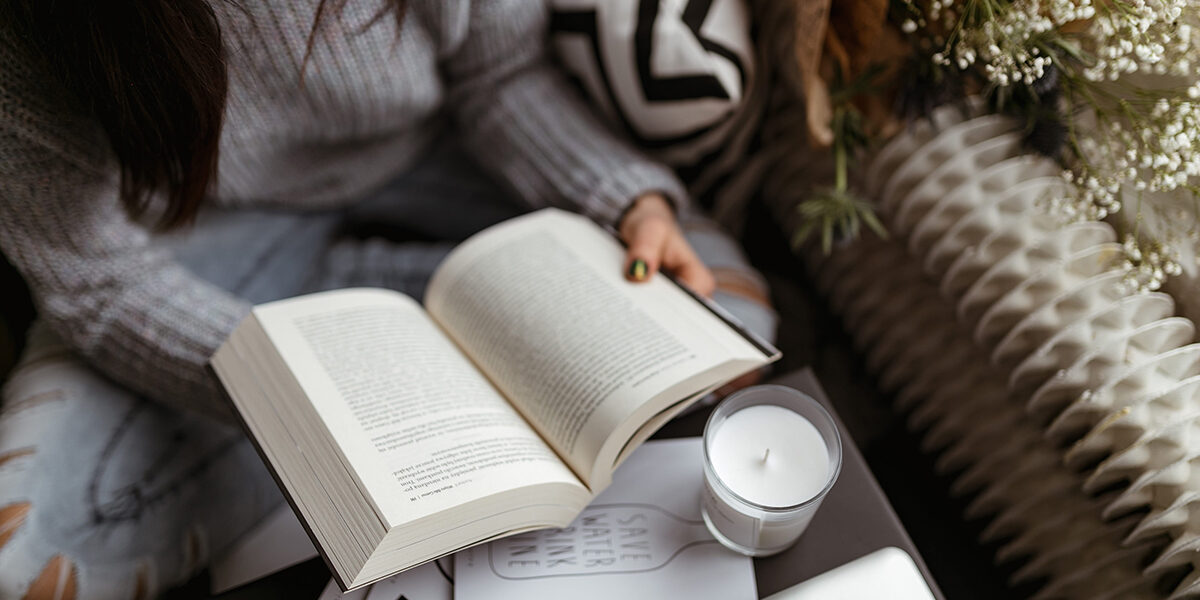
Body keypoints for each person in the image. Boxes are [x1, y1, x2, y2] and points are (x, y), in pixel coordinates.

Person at [0, 1, 777, 598]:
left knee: (726, 325)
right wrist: (273, 386)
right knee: (29, 556)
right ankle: (407, 341)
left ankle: (415, 326)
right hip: (203, 238)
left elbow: (499, 76)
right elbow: (92, 278)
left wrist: (626, 203)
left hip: (443, 153)